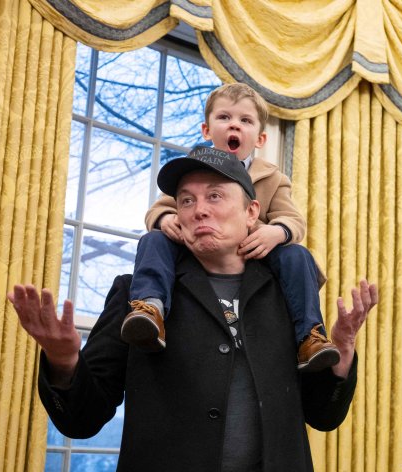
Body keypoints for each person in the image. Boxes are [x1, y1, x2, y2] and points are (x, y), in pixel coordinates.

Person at [8, 146, 377, 472]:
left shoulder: (287, 295)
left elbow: (324, 413)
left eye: (215, 196)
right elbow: (82, 417)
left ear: (252, 212)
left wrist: (342, 351)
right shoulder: (140, 296)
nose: (199, 208)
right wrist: (64, 360)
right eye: (186, 200)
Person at [123, 82, 339, 372]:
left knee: (297, 255)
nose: (234, 125)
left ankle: (310, 336)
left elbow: (294, 220)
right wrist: (165, 220)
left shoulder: (272, 177)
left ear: (260, 138)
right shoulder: (192, 172)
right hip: (199, 248)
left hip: (256, 251)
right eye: (224, 117)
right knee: (153, 240)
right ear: (206, 130)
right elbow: (158, 209)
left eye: (245, 120)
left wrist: (276, 232)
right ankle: (150, 309)